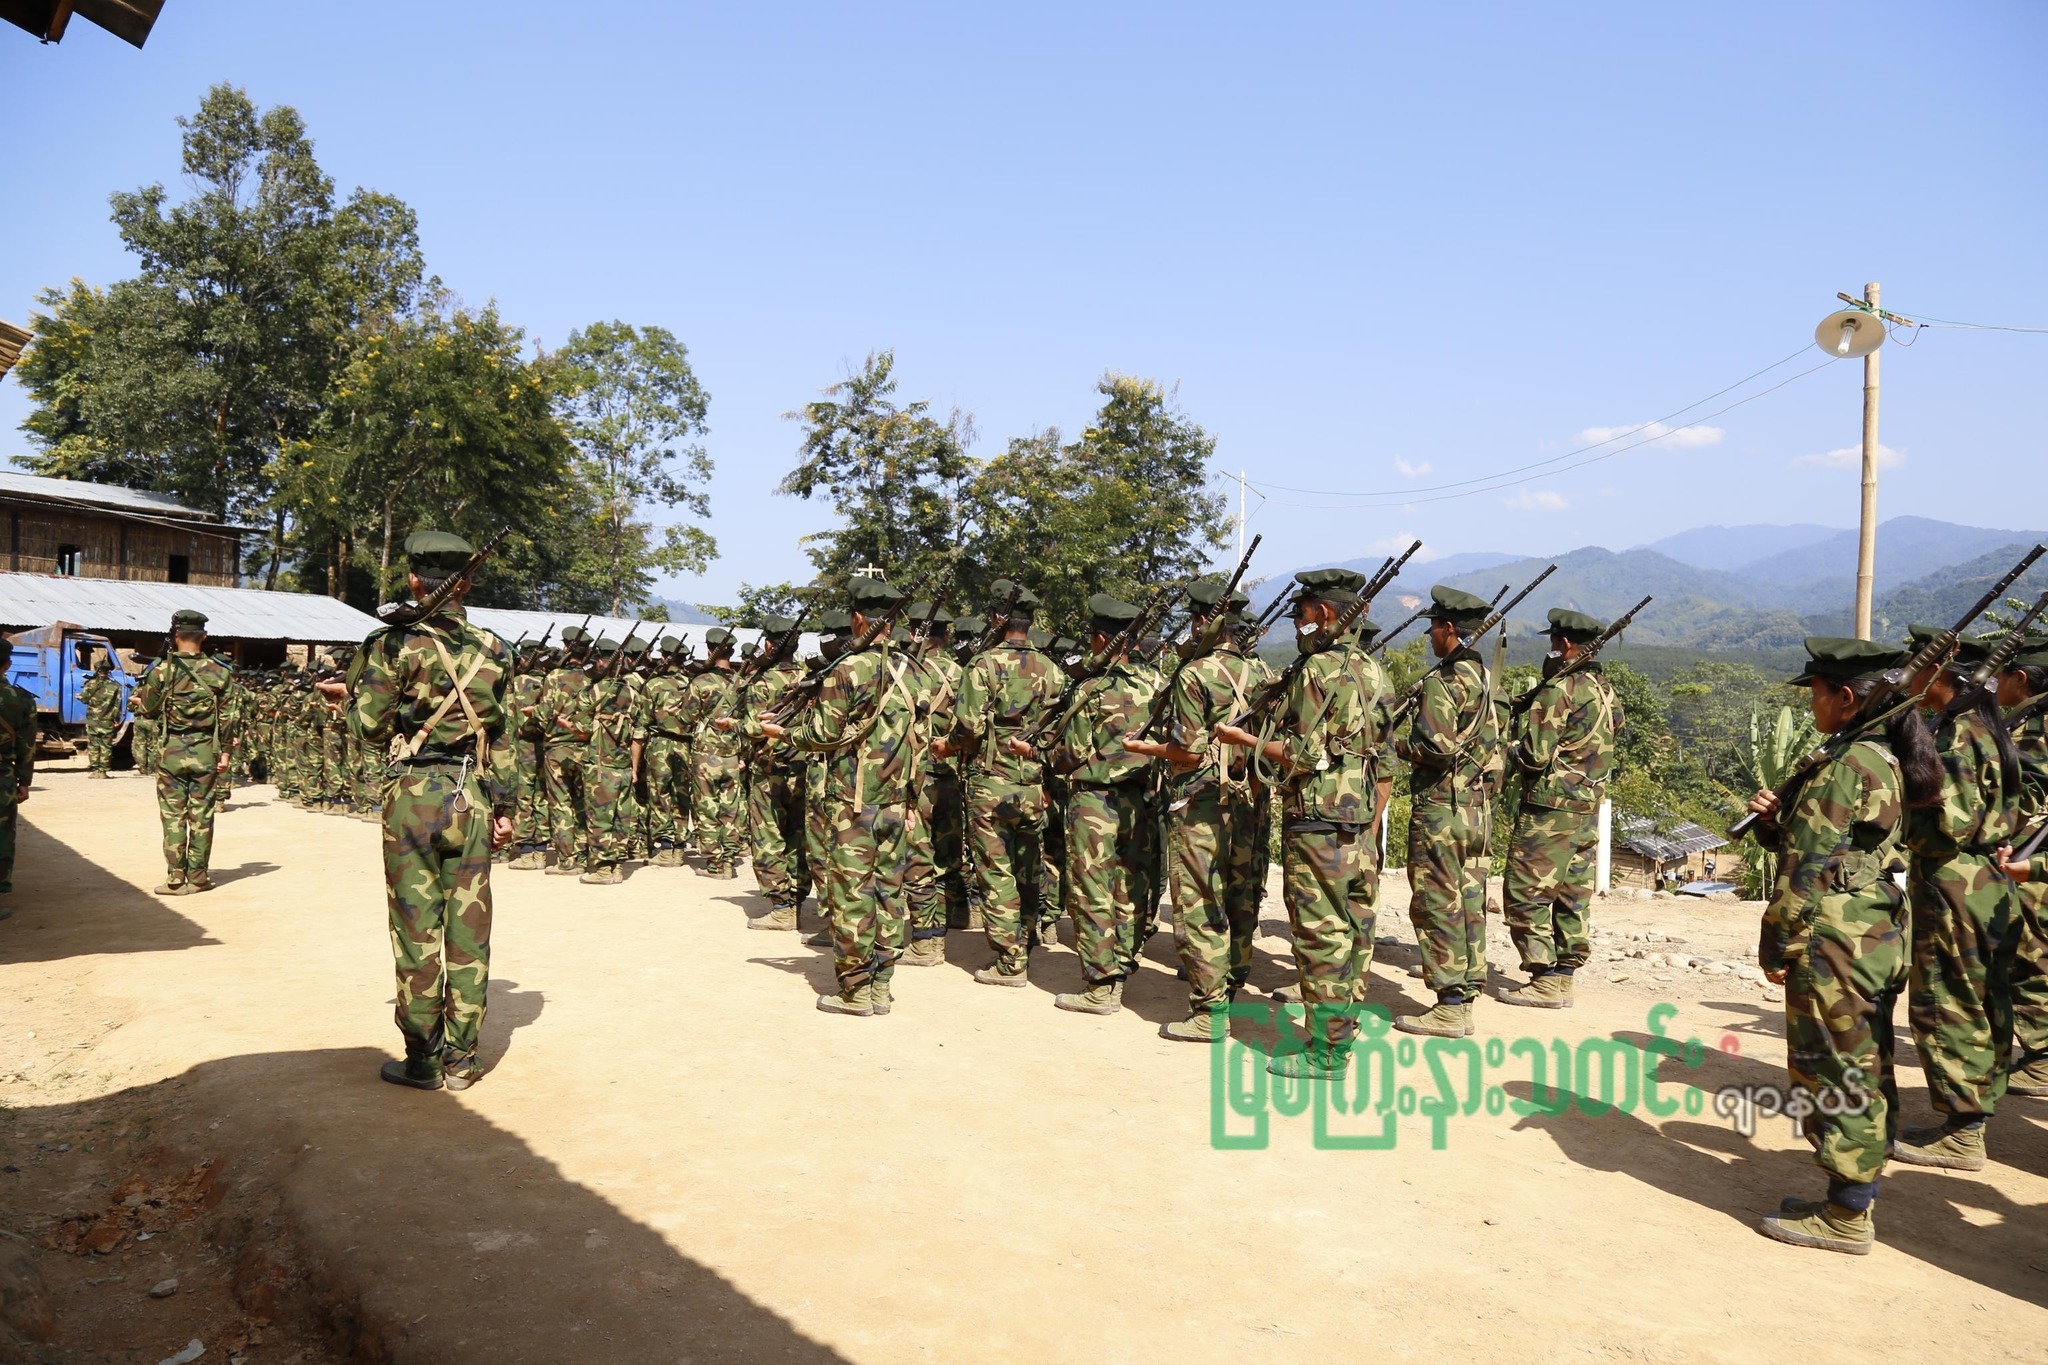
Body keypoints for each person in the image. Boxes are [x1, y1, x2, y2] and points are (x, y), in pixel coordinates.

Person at [1745, 636, 1939, 1254]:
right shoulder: (1886, 757)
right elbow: (1849, 846)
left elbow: (1807, 866)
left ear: (1847, 697)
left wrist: (1776, 940)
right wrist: (1775, 821)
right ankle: (1851, 1196)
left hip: (1831, 935)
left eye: (1817, 694)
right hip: (1872, 928)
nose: (1812, 706)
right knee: (1865, 1061)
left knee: (1832, 1068)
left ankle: (1846, 1214)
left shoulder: (1845, 764)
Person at [327, 531, 516, 1092]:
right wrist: (505, 808)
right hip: (472, 796)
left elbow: (369, 729)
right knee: (469, 932)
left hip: (413, 797)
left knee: (416, 931)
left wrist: (344, 702)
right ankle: (463, 1060)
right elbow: (503, 737)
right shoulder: (497, 648)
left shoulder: (395, 644)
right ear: (467, 584)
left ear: (413, 580)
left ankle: (424, 1060)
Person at [1214, 569, 1377, 1073]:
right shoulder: (1371, 668)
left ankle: (1327, 1052)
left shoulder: (1316, 670)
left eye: (1302, 615)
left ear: (1324, 614)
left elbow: (1303, 755)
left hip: (1317, 817)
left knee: (1319, 934)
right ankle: (1343, 1029)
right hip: (1356, 816)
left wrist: (1242, 739)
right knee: (1351, 929)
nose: (1298, 625)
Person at [1892, 628, 2027, 1171]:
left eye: (1916, 670)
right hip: (1990, 880)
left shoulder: (1952, 737)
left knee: (1946, 1001)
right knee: (1986, 999)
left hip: (1953, 881)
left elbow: (1952, 823)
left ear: (1938, 672)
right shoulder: (1989, 727)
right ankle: (1975, 1113)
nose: (1909, 681)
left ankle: (1963, 1132)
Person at [761, 578, 920, 1016]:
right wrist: (911, 800)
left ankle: (855, 991)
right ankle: (882, 986)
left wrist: (781, 732)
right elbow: (920, 741)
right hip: (895, 803)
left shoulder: (847, 669)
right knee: (888, 894)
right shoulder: (913, 671)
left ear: (857, 619)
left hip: (853, 804)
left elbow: (823, 735)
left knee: (852, 895)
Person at [1125, 580, 1270, 1042]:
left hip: (1201, 804)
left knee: (1199, 900)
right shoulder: (1262, 672)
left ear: (1203, 622)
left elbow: (1187, 752)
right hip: (1248, 800)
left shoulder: (1194, 674)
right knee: (1240, 895)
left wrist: (1143, 748)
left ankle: (1209, 1011)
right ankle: (1232, 984)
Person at [938, 581, 1066, 986]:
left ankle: (1010, 961)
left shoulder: (983, 665)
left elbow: (968, 728)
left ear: (997, 618)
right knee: (1029, 868)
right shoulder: (1052, 670)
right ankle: (1026, 937)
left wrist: (946, 746)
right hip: (1032, 784)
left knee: (996, 871)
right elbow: (1057, 734)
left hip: (991, 784)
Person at [1038, 593, 1157, 1015]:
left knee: (1091, 892)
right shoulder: (1154, 685)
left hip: (1094, 802)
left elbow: (1070, 754)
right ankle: (1122, 963)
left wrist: (1041, 754)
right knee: (1130, 888)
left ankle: (1101, 985)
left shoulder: (1092, 689)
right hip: (1140, 801)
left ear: (1100, 639)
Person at [1496, 608, 1620, 1009]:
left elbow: (1534, 755)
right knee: (1573, 894)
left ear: (1564, 644)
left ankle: (1543, 976)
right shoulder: (1604, 689)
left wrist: (1505, 751)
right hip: (1587, 807)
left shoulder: (1559, 690)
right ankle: (1564, 975)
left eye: (1552, 642)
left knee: (1525, 891)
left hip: (1550, 809)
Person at [1393, 586, 1500, 1038]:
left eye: (1434, 628)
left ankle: (1450, 1004)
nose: (1432, 637)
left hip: (1441, 809)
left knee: (1437, 902)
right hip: (1477, 810)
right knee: (1470, 901)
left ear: (1450, 629)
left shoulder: (1444, 682)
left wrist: (1394, 743)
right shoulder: (1487, 679)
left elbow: (1435, 748)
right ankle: (1468, 989)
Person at [128, 610, 236, 896]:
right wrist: (225, 754)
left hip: (171, 753)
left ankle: (175, 878)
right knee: (202, 816)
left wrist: (139, 701)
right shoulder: (221, 672)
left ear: (175, 636)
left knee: (173, 815)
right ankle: (199, 877)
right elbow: (229, 719)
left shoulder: (161, 671)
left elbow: (148, 711)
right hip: (206, 752)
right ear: (204, 636)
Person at [1994, 631, 2048, 1096]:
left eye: (2001, 675)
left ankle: (2043, 1059)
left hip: (2031, 856)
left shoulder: (2037, 724)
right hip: (2028, 854)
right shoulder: (2029, 716)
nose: (1994, 683)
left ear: (2021, 678)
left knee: (2031, 956)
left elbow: (2026, 792)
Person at [682, 628, 746, 878]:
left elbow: (686, 717)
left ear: (709, 650)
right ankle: (729, 860)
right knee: (731, 809)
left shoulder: (700, 682)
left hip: (706, 753)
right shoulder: (742, 683)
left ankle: (715, 864)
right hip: (733, 753)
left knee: (707, 806)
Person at [535, 628, 597, 875]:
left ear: (565, 648)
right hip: (585, 748)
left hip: (557, 750)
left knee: (561, 804)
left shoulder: (554, 677)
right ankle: (584, 855)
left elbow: (544, 714)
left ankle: (567, 860)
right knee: (584, 804)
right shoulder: (593, 678)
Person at [0, 637, 36, 913]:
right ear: (8, 664)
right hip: (3, 778)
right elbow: (26, 747)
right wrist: (24, 782)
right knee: (2, 835)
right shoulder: (20, 699)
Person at [80, 655, 123, 778]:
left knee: (93, 744)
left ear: (96, 669)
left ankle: (95, 771)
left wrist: (80, 697)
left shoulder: (90, 684)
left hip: (93, 720)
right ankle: (103, 772)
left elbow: (84, 699)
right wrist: (116, 719)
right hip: (107, 720)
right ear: (108, 671)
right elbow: (118, 705)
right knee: (106, 745)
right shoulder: (115, 686)